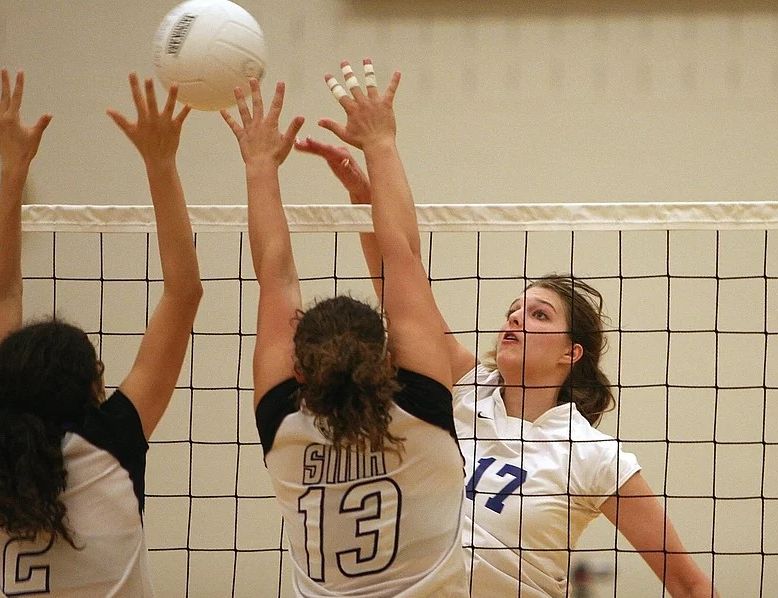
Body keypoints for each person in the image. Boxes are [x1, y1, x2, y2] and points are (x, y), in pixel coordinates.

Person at [298, 82, 720, 598]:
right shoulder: (465, 387)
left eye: (539, 314)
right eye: (514, 310)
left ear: (572, 353)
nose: (516, 320)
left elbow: (689, 582)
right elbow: (399, 278)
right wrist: (364, 199)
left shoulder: (594, 455)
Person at [220, 64, 468, 597]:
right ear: (385, 356)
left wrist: (259, 164)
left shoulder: (284, 430)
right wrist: (381, 141)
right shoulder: (420, 411)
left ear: (297, 367)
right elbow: (399, 250)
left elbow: (273, 273)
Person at [0, 70, 202, 596]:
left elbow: (3, 296)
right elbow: (184, 293)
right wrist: (161, 163)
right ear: (93, 388)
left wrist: (13, 168)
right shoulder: (111, 442)